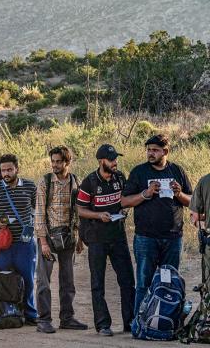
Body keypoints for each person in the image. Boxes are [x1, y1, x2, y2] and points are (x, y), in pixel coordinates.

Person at [121, 134, 192, 315]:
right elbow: (124, 201)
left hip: (173, 238)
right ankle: (140, 323)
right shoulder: (139, 172)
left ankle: (165, 324)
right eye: (149, 150)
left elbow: (191, 201)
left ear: (165, 151)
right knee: (144, 283)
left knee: (169, 283)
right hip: (146, 238)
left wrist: (179, 194)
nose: (150, 153)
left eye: (155, 150)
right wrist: (145, 193)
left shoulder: (177, 171)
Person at [77, 144, 135, 336]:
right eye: (111, 160)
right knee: (97, 283)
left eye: (116, 159)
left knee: (127, 280)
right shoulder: (89, 182)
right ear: (102, 161)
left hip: (118, 236)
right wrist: (98, 215)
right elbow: (80, 210)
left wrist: (123, 210)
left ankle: (130, 322)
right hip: (97, 239)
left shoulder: (120, 177)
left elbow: (124, 200)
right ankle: (103, 324)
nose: (115, 162)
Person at [0, 153, 38, 325]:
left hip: (24, 243)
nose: (6, 173)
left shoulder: (29, 186)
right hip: (0, 243)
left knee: (27, 278)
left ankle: (30, 314)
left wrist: (31, 222)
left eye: (10, 169)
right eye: (3, 170)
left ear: (17, 169)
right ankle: (3, 312)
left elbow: (37, 207)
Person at [34, 146, 87, 333]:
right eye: (53, 161)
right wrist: (43, 242)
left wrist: (79, 237)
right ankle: (43, 320)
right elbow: (39, 213)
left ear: (67, 162)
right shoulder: (45, 182)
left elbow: (77, 211)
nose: (55, 165)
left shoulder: (74, 181)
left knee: (68, 281)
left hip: (68, 238)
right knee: (43, 281)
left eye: (58, 161)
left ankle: (67, 318)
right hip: (48, 236)